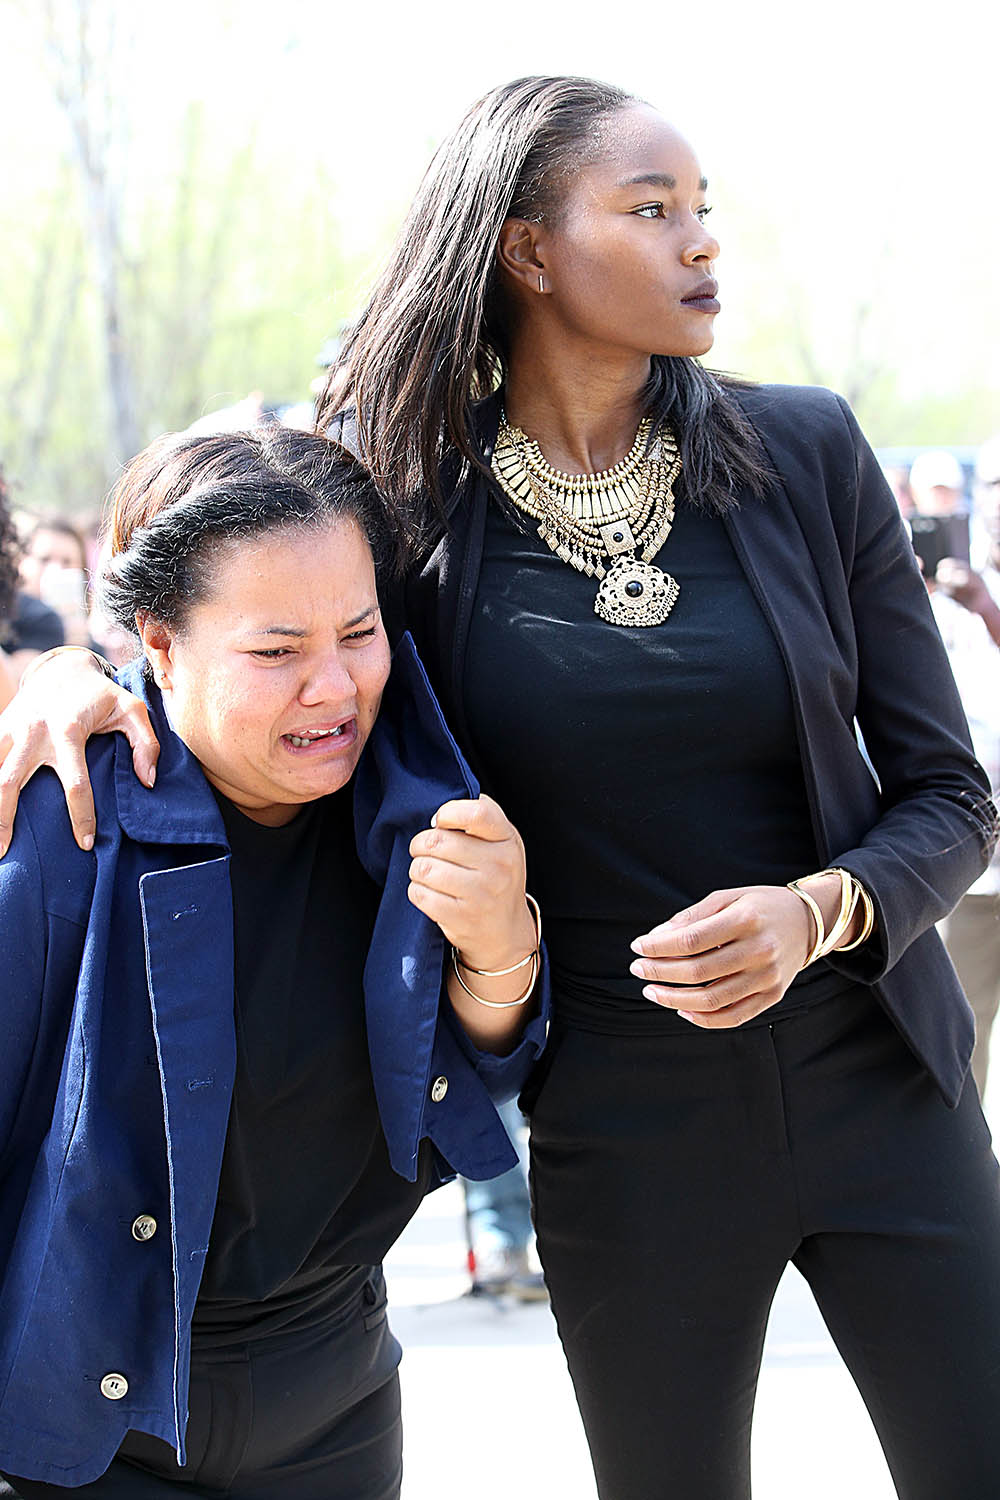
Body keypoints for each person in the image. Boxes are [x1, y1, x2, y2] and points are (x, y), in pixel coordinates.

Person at [2, 74, 999, 1499]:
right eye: (650, 210)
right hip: (619, 1131)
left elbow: (953, 796)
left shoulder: (810, 454)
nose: (701, 242)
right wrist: (80, 684)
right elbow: (235, 606)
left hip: (883, 1088)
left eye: (703, 211)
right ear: (530, 251)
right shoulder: (411, 507)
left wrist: (822, 910)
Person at [0, 426, 547, 1496]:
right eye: (275, 649)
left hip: (336, 1394)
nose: (333, 686)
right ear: (158, 644)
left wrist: (503, 951)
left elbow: (461, 1087)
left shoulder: (417, 801)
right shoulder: (60, 831)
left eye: (358, 631)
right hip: (91, 1431)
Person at [931, 433, 1000, 1095]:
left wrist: (987, 610)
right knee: (962, 1033)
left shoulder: (977, 597)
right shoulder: (944, 592)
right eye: (995, 489)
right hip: (975, 861)